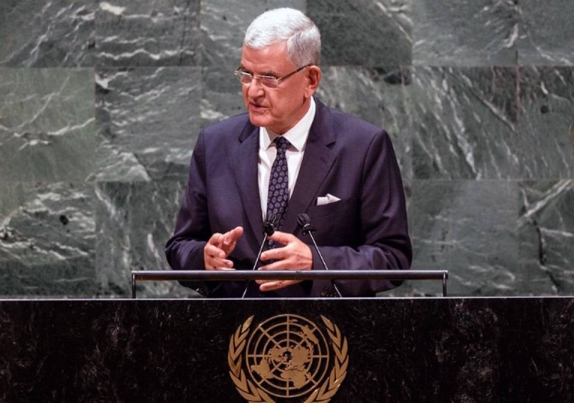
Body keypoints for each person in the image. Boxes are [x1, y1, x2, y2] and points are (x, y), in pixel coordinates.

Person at [165, 8, 412, 298]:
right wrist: (204, 259)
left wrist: (316, 263)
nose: (253, 91)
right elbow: (180, 245)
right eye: (246, 74)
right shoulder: (215, 144)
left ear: (310, 80)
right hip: (234, 334)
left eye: (269, 78)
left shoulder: (364, 146)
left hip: (326, 334)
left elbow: (392, 257)